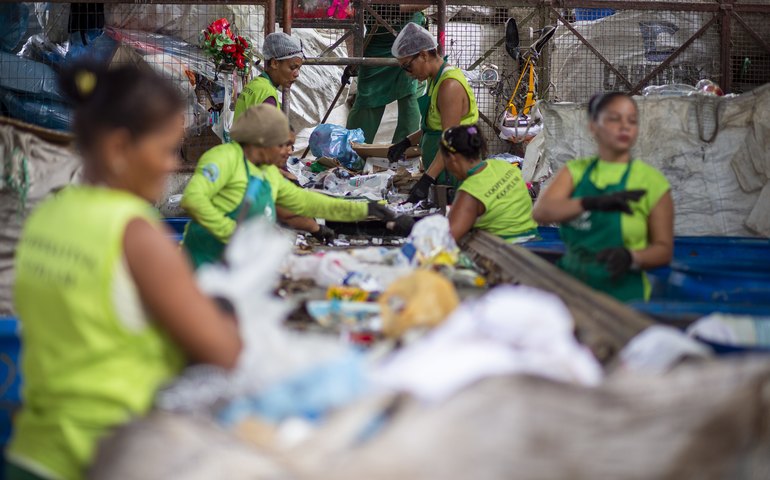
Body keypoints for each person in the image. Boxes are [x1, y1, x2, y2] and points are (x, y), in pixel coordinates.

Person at [7, 64, 242, 480]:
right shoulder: (135, 233)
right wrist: (223, 313)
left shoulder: (48, 215)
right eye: (168, 150)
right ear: (119, 149)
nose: (172, 166)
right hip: (104, 459)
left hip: (33, 453)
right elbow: (222, 351)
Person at [181, 104, 392, 268]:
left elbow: (304, 202)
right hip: (204, 262)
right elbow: (193, 199)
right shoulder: (224, 157)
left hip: (239, 265)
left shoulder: (267, 171)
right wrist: (235, 234)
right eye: (283, 144)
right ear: (263, 141)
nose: (289, 151)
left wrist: (366, 209)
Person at [532, 92, 673, 302]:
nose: (625, 126)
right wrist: (592, 202)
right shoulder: (575, 172)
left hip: (625, 299)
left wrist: (631, 258)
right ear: (593, 126)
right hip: (571, 290)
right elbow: (542, 213)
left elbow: (663, 250)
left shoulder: (651, 182)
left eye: (632, 121)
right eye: (614, 119)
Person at [390, 125, 538, 243]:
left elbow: (447, 238)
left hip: (508, 251)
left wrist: (411, 227)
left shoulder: (470, 191)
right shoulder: (504, 166)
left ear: (453, 159)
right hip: (533, 239)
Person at [387, 22, 479, 204]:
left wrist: (427, 179)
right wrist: (406, 142)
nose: (408, 73)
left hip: (455, 170)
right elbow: (435, 124)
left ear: (423, 55)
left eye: (407, 66)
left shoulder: (449, 85)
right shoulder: (434, 79)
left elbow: (450, 141)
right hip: (443, 169)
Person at [346, 5, 425, 144]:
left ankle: (404, 153)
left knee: (409, 95)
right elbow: (349, 14)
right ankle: (354, 150)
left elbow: (429, 2)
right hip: (376, 40)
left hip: (407, 36)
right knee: (367, 96)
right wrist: (353, 59)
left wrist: (395, 8)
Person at [233, 32, 303, 117]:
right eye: (292, 67)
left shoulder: (254, 85)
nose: (297, 74)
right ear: (274, 63)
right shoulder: (267, 94)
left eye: (298, 68)